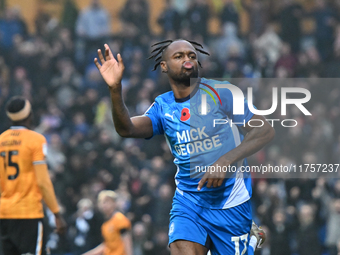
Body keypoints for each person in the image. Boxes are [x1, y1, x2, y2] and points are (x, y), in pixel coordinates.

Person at [94, 39, 275, 255]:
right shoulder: (163, 106)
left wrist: (225, 160)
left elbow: (264, 130)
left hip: (230, 203)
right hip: (189, 202)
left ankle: (251, 238)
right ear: (164, 66)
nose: (187, 60)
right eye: (178, 56)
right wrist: (115, 89)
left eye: (191, 55)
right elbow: (127, 129)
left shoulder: (222, 92)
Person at [0, 96, 67, 255]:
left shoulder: (1, 140)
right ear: (29, 115)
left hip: (4, 213)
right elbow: (43, 182)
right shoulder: (36, 140)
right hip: (28, 212)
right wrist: (56, 213)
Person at [82, 190, 132, 255]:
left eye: (106, 201)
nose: (103, 205)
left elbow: (127, 241)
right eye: (101, 202)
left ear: (114, 203)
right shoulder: (105, 224)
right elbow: (107, 245)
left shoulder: (119, 219)